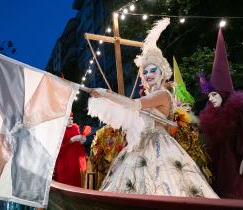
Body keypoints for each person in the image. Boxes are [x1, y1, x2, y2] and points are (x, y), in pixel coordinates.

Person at [88, 18, 217, 198]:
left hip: (159, 147)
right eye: (145, 72)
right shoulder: (149, 96)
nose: (148, 75)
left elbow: (132, 105)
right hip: (139, 146)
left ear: (162, 72)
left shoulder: (163, 95)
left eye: (152, 70)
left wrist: (105, 94)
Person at [199, 28, 243, 199]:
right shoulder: (210, 114)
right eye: (209, 95)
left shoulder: (239, 110)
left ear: (223, 92)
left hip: (236, 164)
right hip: (217, 166)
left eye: (214, 94)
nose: (210, 98)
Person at [169, 57, 212, 183]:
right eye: (184, 105)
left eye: (189, 105)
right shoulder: (174, 123)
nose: (187, 108)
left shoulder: (194, 123)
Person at [53, 113, 91, 187]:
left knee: (75, 183)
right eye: (68, 119)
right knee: (64, 184)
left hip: (74, 163)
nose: (70, 121)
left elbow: (78, 147)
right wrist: (70, 141)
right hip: (64, 163)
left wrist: (81, 141)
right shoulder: (59, 131)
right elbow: (58, 150)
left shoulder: (75, 128)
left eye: (71, 119)